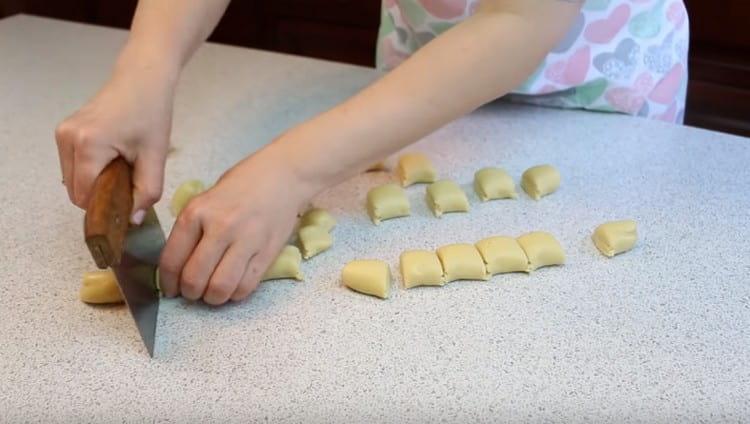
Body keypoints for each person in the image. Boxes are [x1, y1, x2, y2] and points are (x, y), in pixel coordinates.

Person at [55, 0, 689, 305]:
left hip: (598, 90)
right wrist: (146, 64)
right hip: (417, 89)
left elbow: (521, 19)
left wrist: (291, 168)